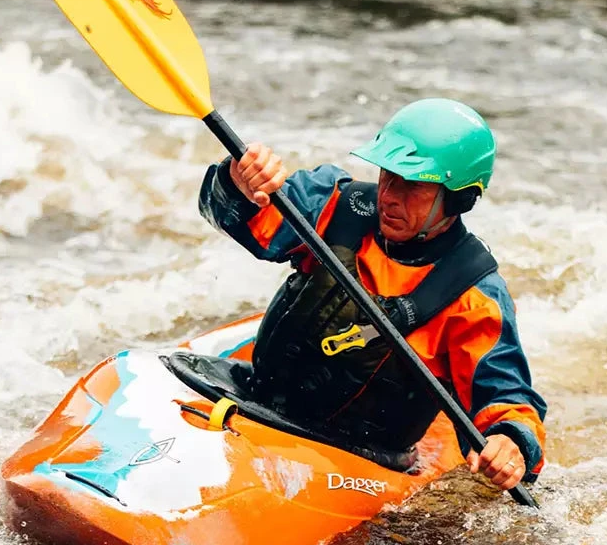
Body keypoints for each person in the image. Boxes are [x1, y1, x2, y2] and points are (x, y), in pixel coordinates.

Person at [198, 97, 546, 492]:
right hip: (259, 399)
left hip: (362, 458)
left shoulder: (472, 296)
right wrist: (238, 183)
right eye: (388, 176)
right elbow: (235, 217)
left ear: (458, 197)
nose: (389, 197)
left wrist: (510, 443)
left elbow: (504, 398)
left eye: (413, 186)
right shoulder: (337, 206)